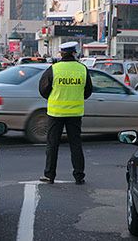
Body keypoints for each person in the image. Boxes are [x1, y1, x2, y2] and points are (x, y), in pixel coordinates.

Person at [38, 42, 93, 185]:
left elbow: (43, 89)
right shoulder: (82, 69)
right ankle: (79, 176)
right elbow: (88, 91)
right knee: (76, 144)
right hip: (75, 113)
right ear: (74, 53)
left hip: (55, 113)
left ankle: (49, 175)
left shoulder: (54, 69)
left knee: (52, 144)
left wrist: (54, 97)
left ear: (61, 54)